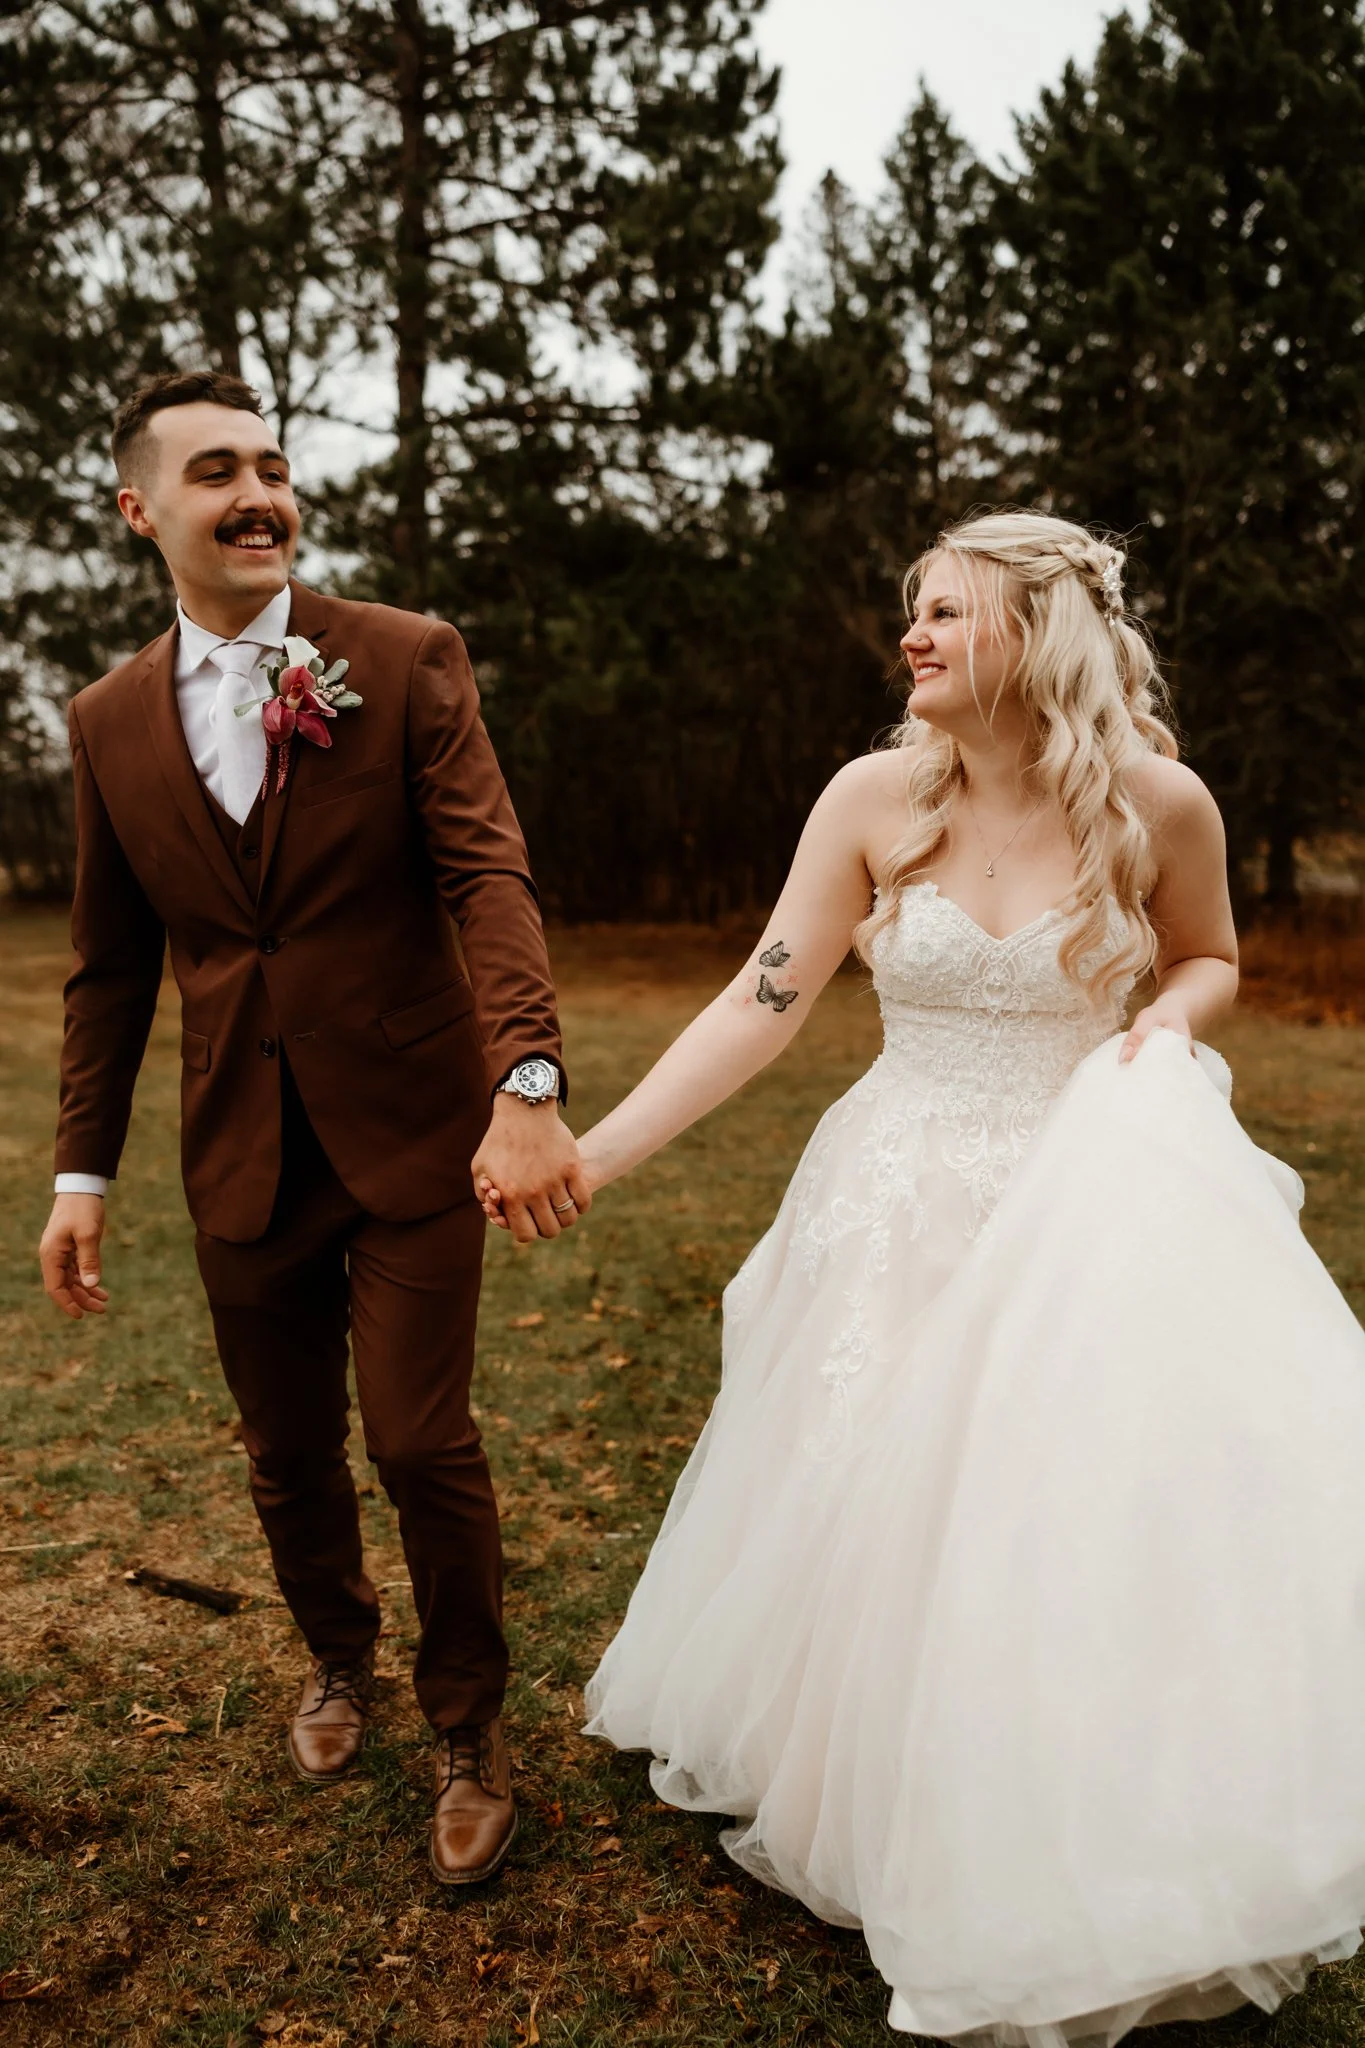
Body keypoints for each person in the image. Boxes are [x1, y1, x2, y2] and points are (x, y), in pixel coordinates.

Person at [486, 510, 1365, 2042]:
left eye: (949, 611)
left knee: (1064, 1504)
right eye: (917, 610)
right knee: (883, 1493)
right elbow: (763, 998)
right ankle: (887, 1783)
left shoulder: (1160, 802)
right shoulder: (872, 799)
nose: (915, 635)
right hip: (896, 1199)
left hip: (1089, 1192)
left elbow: (1211, 956)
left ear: (1042, 631)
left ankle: (1081, 1792)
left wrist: (1163, 1033)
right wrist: (599, 1154)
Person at [37, 370, 590, 1885]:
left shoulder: (403, 659)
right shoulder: (105, 723)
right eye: (217, 472)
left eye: (272, 466)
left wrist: (526, 1083)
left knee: (420, 1441)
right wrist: (82, 1173)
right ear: (142, 509)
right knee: (287, 1453)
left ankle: (469, 1726)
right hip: (239, 1151)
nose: (259, 495)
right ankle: (337, 1655)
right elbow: (109, 969)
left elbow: (487, 876)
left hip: (419, 1131)